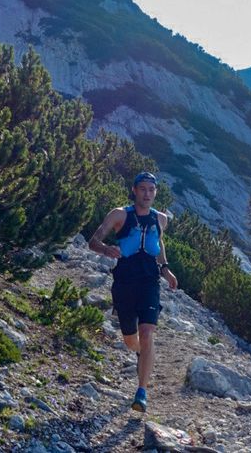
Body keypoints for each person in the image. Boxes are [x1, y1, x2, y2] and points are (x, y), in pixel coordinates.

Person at [88, 171, 178, 412]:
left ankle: (141, 392)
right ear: (134, 190)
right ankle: (140, 353)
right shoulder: (119, 215)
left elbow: (158, 245)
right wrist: (106, 250)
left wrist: (165, 270)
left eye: (151, 189)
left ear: (155, 192)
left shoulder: (161, 219)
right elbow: (93, 240)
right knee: (131, 340)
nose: (147, 194)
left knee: (147, 332)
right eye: (143, 189)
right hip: (125, 281)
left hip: (149, 281)